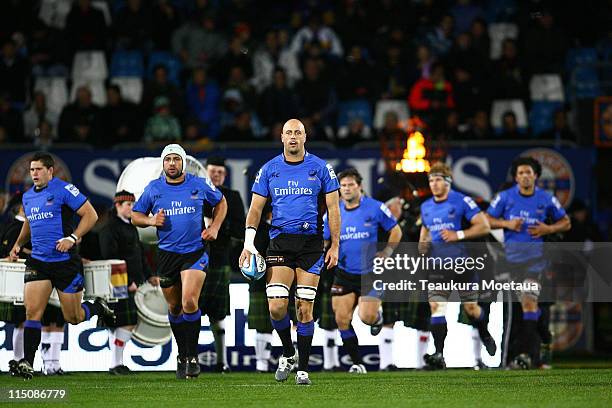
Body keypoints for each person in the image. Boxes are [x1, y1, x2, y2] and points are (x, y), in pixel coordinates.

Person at [239, 118, 340, 385]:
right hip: (280, 243)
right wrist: (249, 243)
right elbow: (256, 210)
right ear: (281, 137)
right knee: (276, 307)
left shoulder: (321, 168)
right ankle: (287, 352)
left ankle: (303, 370)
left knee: (304, 309)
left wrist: (336, 245)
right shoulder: (269, 169)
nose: (293, 137)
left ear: (305, 137)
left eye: (298, 132)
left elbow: (334, 210)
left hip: (310, 246)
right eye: (288, 133)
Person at [8, 152, 116, 379]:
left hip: (65, 262)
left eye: (38, 169)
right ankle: (28, 362)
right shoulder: (28, 197)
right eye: (31, 170)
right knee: (32, 312)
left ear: (50, 170)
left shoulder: (65, 190)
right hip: (38, 261)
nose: (34, 174)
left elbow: (91, 215)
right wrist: (18, 244)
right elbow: (29, 222)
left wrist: (73, 238)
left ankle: (96, 306)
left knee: (73, 318)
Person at [131, 144, 227, 380]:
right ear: (163, 164)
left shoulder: (199, 183)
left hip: (195, 252)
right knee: (174, 308)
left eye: (176, 159)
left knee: (189, 301)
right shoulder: (154, 188)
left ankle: (193, 357)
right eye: (168, 160)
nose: (172, 163)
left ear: (183, 162)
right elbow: (135, 215)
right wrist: (152, 221)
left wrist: (214, 227)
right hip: (167, 255)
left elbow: (221, 202)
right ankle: (182, 354)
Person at [486, 157, 570, 368]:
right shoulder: (505, 198)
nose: (525, 176)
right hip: (511, 263)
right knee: (525, 310)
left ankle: (524, 355)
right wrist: (506, 223)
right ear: (515, 177)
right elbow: (485, 220)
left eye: (528, 172)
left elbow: (566, 222)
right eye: (521, 173)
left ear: (536, 176)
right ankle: (543, 334)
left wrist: (548, 229)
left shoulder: (546, 199)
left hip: (536, 262)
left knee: (528, 302)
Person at [418, 162, 496, 370]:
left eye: (438, 180)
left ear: (448, 182)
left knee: (471, 309)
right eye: (431, 180)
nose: (433, 184)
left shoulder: (462, 201)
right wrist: (422, 244)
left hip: (462, 264)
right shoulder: (426, 206)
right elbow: (425, 230)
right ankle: (439, 355)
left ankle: (485, 332)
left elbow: (484, 226)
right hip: (437, 265)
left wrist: (458, 234)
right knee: (436, 307)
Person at [326, 168, 402, 374]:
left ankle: (376, 319)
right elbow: (325, 239)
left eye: (351, 185)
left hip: (371, 272)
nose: (347, 189)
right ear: (338, 189)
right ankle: (357, 363)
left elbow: (395, 230)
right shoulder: (333, 211)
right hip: (344, 272)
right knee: (341, 319)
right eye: (343, 185)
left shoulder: (375, 208)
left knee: (366, 317)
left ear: (359, 187)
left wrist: (387, 251)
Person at [99, 190, 159, 375]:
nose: (132, 208)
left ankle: (116, 363)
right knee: (126, 322)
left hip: (130, 282)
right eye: (128, 205)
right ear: (117, 205)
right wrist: (128, 282)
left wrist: (149, 275)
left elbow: (139, 254)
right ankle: (115, 364)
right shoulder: (109, 229)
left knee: (120, 323)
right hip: (117, 282)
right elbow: (110, 258)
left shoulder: (131, 227)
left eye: (133, 204)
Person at [200, 156, 246, 373]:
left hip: (219, 260)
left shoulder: (233, 197)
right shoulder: (196, 194)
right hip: (193, 260)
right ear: (205, 172)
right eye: (212, 171)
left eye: (220, 172)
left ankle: (222, 361)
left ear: (225, 175)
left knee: (218, 314)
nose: (216, 174)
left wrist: (217, 226)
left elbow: (240, 230)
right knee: (189, 309)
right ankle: (188, 357)